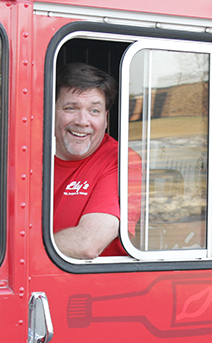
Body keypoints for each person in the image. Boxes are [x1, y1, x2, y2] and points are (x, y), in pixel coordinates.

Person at [52, 62, 140, 259]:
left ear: (105, 118)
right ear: (50, 111)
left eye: (94, 111)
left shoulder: (121, 160)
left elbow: (88, 243)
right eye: (71, 108)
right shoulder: (26, 150)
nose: (82, 121)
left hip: (95, 286)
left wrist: (18, 251)